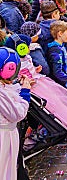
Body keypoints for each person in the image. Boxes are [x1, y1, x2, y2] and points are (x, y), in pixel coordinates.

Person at [0, 47, 32, 180]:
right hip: (4, 137)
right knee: (5, 170)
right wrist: (25, 93)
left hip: (6, 134)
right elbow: (17, 113)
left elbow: (9, 92)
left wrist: (19, 85)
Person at [38, 0, 67, 77]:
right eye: (58, 13)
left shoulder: (38, 30)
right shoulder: (62, 29)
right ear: (54, 15)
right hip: (63, 72)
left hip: (46, 73)